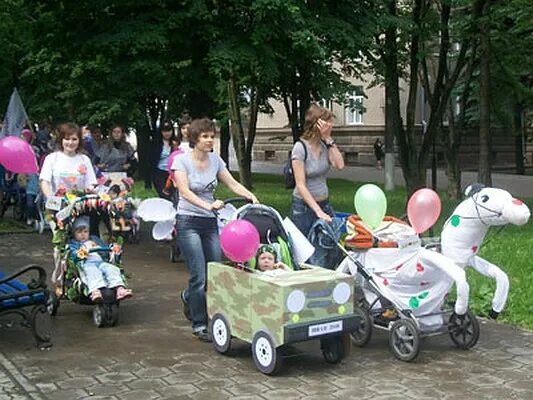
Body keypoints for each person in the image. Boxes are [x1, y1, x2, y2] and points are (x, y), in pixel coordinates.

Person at [172, 117, 258, 342]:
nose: (210, 140)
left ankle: (190, 296)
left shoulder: (216, 160)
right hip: (188, 221)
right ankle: (200, 323)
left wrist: (249, 194)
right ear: (195, 139)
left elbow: (232, 183)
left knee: (215, 272)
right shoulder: (182, 162)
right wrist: (208, 205)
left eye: (212, 136)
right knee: (199, 274)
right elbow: (184, 192)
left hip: (209, 223)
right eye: (205, 136)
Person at [290, 104, 345, 240]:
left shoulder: (325, 145)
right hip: (303, 207)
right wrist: (318, 211)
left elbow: (340, 165)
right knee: (306, 249)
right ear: (317, 124)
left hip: (324, 203)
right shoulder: (300, 148)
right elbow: (300, 185)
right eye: (328, 122)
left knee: (328, 245)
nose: (331, 125)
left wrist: (328, 139)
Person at [68, 217, 132, 302]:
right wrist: (80, 253)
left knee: (112, 269)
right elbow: (73, 254)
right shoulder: (74, 244)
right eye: (79, 232)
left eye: (85, 231)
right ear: (74, 233)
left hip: (100, 262)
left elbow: (104, 248)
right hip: (87, 263)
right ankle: (95, 291)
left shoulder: (94, 239)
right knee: (93, 272)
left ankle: (119, 288)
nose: (83, 234)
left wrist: (112, 248)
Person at [39, 122, 97, 199]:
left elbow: (91, 182)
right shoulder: (51, 158)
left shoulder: (85, 159)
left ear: (79, 141)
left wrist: (90, 189)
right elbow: (44, 182)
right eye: (67, 139)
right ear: (61, 140)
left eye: (74, 139)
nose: (70, 142)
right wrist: (50, 198)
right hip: (57, 204)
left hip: (79, 204)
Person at [152, 121, 178, 200]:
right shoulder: (156, 143)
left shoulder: (175, 142)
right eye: (164, 131)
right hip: (160, 173)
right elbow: (152, 160)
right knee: (164, 196)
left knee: (173, 196)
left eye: (169, 130)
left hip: (172, 173)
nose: (167, 133)